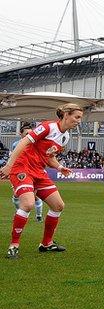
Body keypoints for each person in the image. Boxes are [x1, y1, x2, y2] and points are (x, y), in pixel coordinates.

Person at [0, 103, 83, 259]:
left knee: (58, 206)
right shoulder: (48, 126)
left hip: (38, 171)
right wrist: (9, 165)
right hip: (22, 167)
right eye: (76, 117)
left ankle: (46, 244)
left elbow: (49, 156)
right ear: (66, 115)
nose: (79, 121)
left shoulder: (65, 137)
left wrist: (59, 167)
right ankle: (14, 245)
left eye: (80, 118)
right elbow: (24, 142)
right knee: (28, 203)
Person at [11, 122, 44, 222]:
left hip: (33, 172)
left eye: (31, 133)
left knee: (34, 196)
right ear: (20, 134)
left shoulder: (36, 144)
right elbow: (14, 158)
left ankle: (38, 215)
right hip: (19, 173)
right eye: (26, 134)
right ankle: (20, 212)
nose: (29, 136)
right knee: (16, 195)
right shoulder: (16, 145)